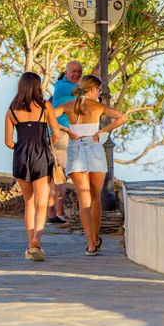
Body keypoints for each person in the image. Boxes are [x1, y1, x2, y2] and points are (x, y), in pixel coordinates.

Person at [54, 75, 126, 255]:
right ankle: (95, 238)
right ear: (93, 89)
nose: (100, 93)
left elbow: (50, 117)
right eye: (99, 90)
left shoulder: (69, 106)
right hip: (94, 148)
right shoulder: (98, 106)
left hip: (75, 149)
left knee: (83, 200)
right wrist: (103, 131)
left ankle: (91, 244)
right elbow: (121, 118)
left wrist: (66, 130)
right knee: (95, 198)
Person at [4, 72, 61, 261]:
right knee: (41, 203)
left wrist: (22, 146)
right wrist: (46, 142)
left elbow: (8, 142)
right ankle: (37, 240)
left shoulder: (12, 110)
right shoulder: (46, 106)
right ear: (37, 86)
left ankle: (30, 246)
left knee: (29, 202)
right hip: (41, 155)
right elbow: (57, 134)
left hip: (21, 157)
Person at [48, 61, 100, 223]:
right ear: (66, 72)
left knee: (55, 175)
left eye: (80, 72)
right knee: (60, 176)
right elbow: (82, 90)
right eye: (74, 71)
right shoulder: (63, 86)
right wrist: (95, 89)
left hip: (60, 134)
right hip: (62, 134)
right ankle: (59, 212)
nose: (77, 74)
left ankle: (52, 213)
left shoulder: (65, 86)